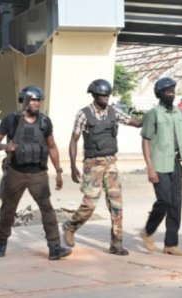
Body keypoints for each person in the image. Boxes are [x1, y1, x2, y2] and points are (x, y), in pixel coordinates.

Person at [62, 79, 142, 256]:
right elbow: (73, 141)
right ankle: (70, 226)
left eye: (107, 95)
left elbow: (134, 122)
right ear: (94, 95)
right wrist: (74, 166)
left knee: (116, 204)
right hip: (93, 164)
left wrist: (152, 116)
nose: (106, 98)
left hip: (111, 163)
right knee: (89, 204)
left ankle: (116, 243)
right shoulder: (84, 114)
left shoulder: (113, 112)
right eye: (102, 95)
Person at [0, 85, 71, 260]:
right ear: (24, 101)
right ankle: (1, 241)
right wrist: (5, 146)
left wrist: (58, 171)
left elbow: (51, 146)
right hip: (15, 172)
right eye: (33, 99)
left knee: (47, 209)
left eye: (38, 100)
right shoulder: (11, 120)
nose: (37, 103)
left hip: (38, 174)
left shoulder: (45, 122)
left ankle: (54, 247)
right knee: (8, 209)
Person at [139, 77, 182, 256]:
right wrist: (150, 167)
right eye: (167, 91)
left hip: (177, 163)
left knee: (176, 204)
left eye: (173, 91)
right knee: (164, 200)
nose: (171, 94)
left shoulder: (179, 113)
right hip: (159, 164)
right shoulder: (153, 114)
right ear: (160, 94)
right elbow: (146, 140)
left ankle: (170, 244)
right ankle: (147, 231)